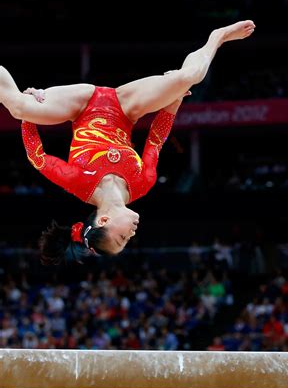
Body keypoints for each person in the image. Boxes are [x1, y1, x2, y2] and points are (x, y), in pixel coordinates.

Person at [0, 20, 256, 264]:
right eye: (127, 241)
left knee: (18, 107)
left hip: (80, 105)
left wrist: (28, 116)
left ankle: (23, 104)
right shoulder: (142, 184)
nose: (131, 235)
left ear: (103, 221)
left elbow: (38, 158)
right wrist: (173, 103)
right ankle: (218, 37)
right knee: (189, 77)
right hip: (125, 108)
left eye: (121, 238)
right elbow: (155, 141)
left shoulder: (80, 184)